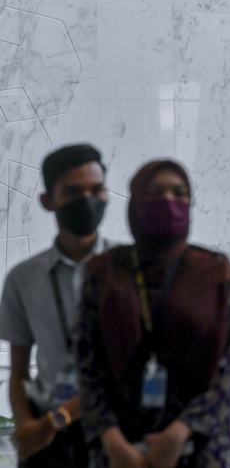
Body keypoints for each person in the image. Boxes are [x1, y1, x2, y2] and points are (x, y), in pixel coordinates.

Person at [77, 160, 230, 467]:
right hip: (119, 452)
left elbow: (229, 367)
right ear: (135, 203)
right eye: (155, 193)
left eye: (179, 193)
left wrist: (180, 433)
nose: (168, 201)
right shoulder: (105, 272)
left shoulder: (215, 272)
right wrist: (112, 441)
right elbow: (88, 367)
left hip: (202, 447)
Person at [0, 144, 113, 467]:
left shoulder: (127, 271)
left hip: (112, 431)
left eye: (96, 189)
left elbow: (125, 370)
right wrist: (27, 426)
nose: (87, 200)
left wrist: (55, 421)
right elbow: (19, 371)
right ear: (47, 201)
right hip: (46, 436)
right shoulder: (23, 278)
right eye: (73, 192)